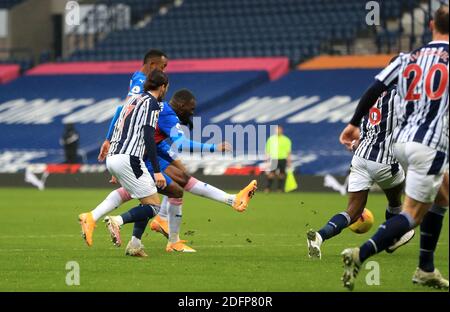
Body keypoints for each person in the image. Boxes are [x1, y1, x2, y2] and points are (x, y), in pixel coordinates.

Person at [338, 5, 448, 290]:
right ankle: (360, 253)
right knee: (412, 214)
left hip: (401, 144)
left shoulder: (407, 58)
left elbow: (375, 87)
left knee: (443, 194)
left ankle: (426, 267)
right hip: (430, 145)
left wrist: (352, 123)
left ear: (431, 25)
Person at [307, 72, 414, 259]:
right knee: (396, 200)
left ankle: (319, 236)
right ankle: (395, 234)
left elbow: (365, 129)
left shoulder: (371, 97)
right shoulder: (402, 95)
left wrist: (356, 144)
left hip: (361, 157)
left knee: (353, 212)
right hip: (384, 161)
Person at [103, 69, 168, 257]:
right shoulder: (152, 104)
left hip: (114, 156)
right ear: (162, 87)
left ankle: (135, 245)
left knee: (145, 200)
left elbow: (118, 128)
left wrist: (115, 169)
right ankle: (117, 221)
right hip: (130, 158)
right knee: (154, 206)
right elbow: (149, 137)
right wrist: (157, 171)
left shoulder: (132, 100)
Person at [264, 126, 292, 193]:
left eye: (279, 129)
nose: (278, 131)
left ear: (282, 130)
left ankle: (279, 189)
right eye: (277, 129)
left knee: (281, 174)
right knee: (271, 174)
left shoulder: (286, 140)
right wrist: (267, 160)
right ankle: (268, 188)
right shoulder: (271, 139)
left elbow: (288, 152)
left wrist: (289, 161)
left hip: (282, 158)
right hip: (274, 159)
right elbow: (267, 150)